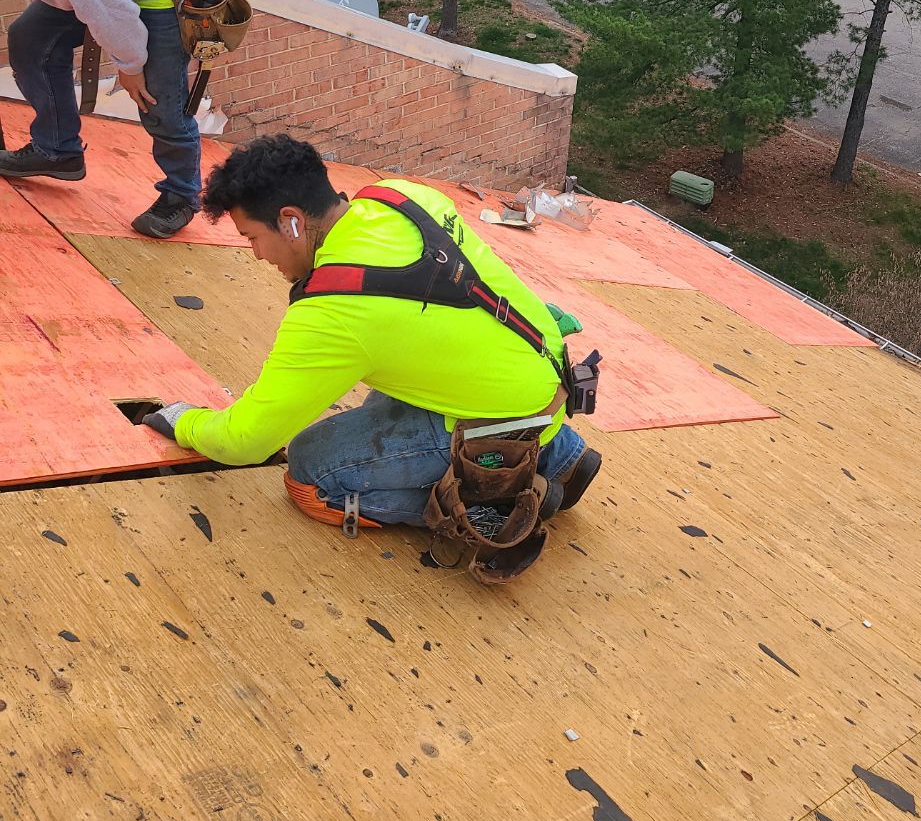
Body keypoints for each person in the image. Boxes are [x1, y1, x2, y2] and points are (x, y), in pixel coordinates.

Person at [143, 134, 602, 553]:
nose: (257, 254)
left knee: (312, 473)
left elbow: (245, 442)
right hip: (547, 372)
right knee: (385, 391)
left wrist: (187, 423)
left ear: (291, 222)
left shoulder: (333, 310)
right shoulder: (400, 196)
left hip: (510, 416)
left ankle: (500, 496)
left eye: (253, 238)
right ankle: (561, 453)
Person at [0, 0, 203, 237]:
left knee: (157, 99)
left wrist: (131, 66)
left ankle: (182, 195)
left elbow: (113, 13)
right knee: (30, 40)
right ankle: (57, 150)